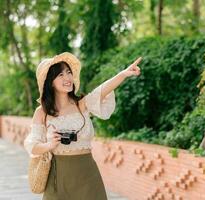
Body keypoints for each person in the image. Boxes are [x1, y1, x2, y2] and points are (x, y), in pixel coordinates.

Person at [24, 52, 141, 200]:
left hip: (87, 175)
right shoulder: (42, 112)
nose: (67, 78)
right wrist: (49, 144)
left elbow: (102, 90)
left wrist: (124, 74)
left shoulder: (82, 104)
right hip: (58, 177)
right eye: (60, 75)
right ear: (50, 81)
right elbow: (32, 146)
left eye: (69, 72)